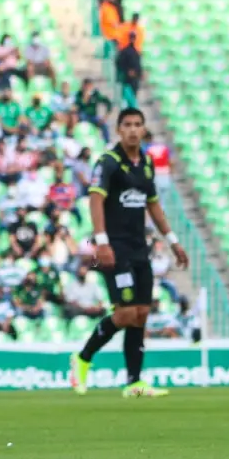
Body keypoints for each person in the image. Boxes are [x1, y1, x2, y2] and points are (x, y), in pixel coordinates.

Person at [69, 108, 189, 398]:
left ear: (144, 129)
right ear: (119, 130)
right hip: (115, 248)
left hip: (139, 248)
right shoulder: (109, 162)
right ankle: (82, 358)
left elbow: (153, 205)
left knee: (142, 313)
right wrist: (102, 241)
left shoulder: (146, 163)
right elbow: (95, 199)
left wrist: (173, 241)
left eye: (138, 125)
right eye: (127, 125)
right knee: (125, 314)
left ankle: (134, 382)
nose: (133, 130)